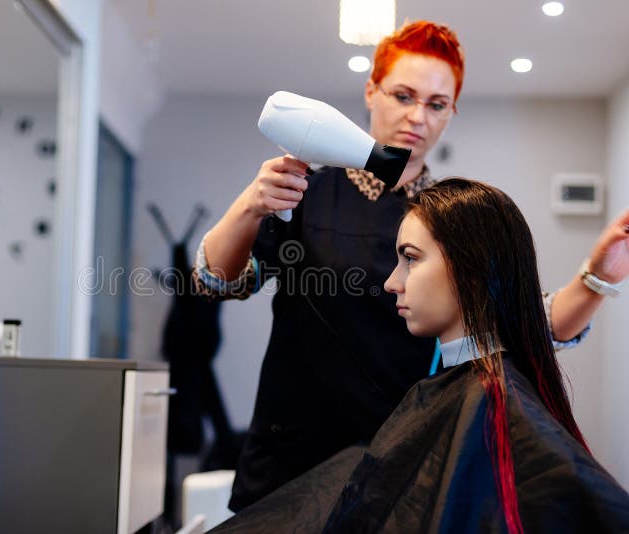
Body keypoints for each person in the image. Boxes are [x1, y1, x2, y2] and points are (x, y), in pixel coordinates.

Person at [194, 20, 629, 511]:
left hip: (395, 457)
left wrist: (599, 277)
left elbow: (529, 320)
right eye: (404, 95)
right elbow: (215, 282)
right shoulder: (306, 193)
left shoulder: (454, 216)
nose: (418, 116)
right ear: (371, 92)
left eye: (436, 104)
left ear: (451, 112)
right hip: (292, 458)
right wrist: (250, 206)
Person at [323, 178, 629, 533]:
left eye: (410, 259)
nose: (392, 281)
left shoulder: (495, 405)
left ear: (472, 271)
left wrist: (599, 277)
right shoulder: (474, 390)